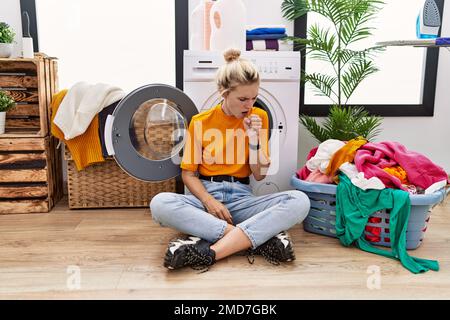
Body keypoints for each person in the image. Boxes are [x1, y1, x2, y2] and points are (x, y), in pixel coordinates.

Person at [150, 48, 310, 271]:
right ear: (223, 93)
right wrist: (209, 201)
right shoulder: (200, 122)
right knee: (160, 204)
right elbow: (188, 174)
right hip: (207, 198)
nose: (250, 105)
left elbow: (259, 174)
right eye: (243, 99)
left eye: (254, 98)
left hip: (243, 199)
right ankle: (254, 239)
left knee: (299, 200)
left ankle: (212, 252)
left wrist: (254, 139)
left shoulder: (259, 118)